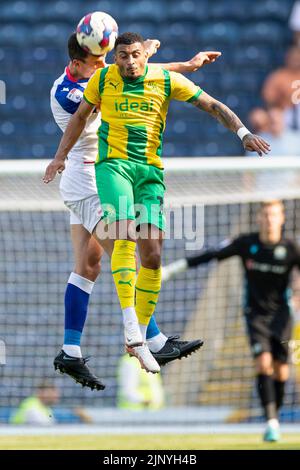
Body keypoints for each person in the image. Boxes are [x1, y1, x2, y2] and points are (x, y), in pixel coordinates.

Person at [43, 31, 269, 376]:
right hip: (88, 178)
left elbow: (142, 72)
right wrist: (161, 59)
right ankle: (148, 338)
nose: (108, 65)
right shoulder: (71, 90)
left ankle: (70, 350)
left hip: (94, 175)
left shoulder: (109, 72)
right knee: (127, 249)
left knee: (89, 265)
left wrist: (182, 65)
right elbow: (122, 77)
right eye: (100, 61)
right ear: (78, 64)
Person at [162, 200, 300, 442]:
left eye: (274, 215)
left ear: (282, 219)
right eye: (265, 215)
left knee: (281, 372)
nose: (269, 220)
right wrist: (170, 270)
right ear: (259, 218)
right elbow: (211, 255)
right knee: (263, 363)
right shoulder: (247, 243)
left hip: (282, 317)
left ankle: (273, 417)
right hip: (255, 315)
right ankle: (271, 422)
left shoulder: (290, 249)